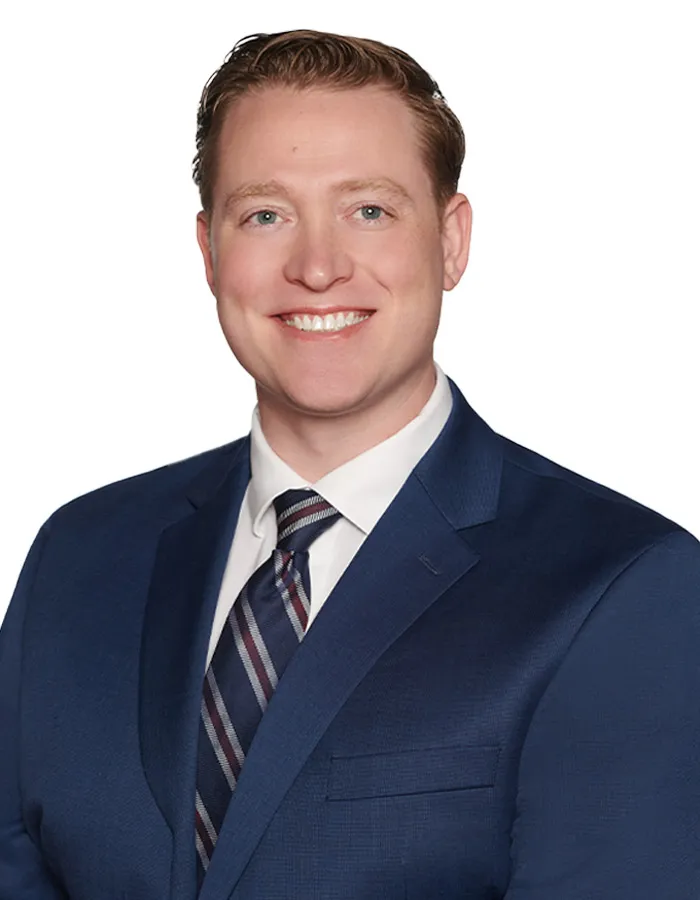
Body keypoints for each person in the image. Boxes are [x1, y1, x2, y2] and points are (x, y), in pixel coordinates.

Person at [1, 28, 698, 900]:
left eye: (369, 210)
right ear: (209, 251)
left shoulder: (624, 586)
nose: (317, 268)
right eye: (266, 215)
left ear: (451, 241)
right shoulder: (78, 556)